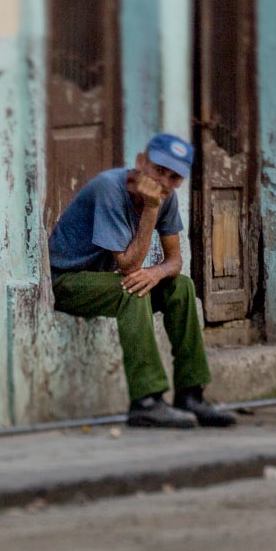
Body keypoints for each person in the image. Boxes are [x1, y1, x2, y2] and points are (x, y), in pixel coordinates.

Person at [48, 133, 235, 430]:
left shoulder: (167, 198)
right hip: (65, 283)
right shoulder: (109, 188)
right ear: (140, 162)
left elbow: (174, 261)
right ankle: (146, 402)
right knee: (131, 290)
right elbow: (128, 266)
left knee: (181, 287)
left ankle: (191, 395)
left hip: (102, 282)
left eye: (174, 177)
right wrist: (150, 209)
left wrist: (157, 273)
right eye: (159, 170)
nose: (164, 182)